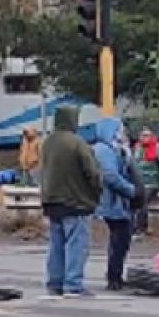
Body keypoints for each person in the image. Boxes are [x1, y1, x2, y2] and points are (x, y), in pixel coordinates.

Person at [40, 105, 102, 297]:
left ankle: (55, 282)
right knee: (76, 244)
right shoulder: (77, 143)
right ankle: (73, 283)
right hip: (76, 202)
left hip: (52, 200)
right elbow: (92, 173)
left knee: (56, 244)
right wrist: (96, 192)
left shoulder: (47, 142)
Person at [93, 117, 138, 291]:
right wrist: (131, 190)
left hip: (116, 203)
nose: (123, 134)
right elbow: (111, 176)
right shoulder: (104, 151)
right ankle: (114, 277)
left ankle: (115, 275)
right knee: (120, 239)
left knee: (120, 240)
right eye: (120, 130)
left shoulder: (113, 149)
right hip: (112, 203)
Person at [133, 127, 159, 236]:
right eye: (142, 135)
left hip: (153, 183)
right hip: (139, 182)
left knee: (142, 200)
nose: (144, 138)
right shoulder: (137, 148)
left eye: (147, 135)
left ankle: (140, 229)